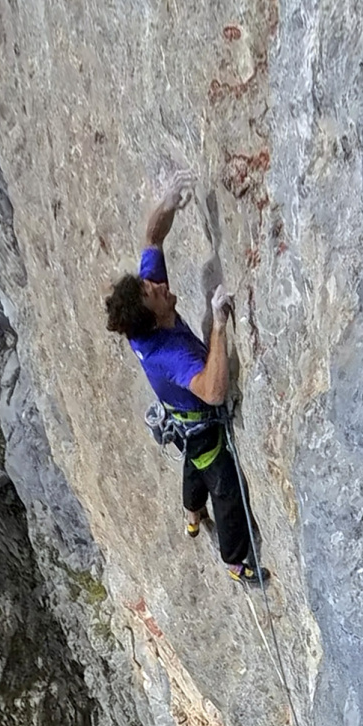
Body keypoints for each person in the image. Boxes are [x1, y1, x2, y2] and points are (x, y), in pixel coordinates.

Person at [104, 170, 268, 587]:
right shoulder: (169, 353)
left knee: (192, 470)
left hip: (181, 420)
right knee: (226, 488)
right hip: (201, 427)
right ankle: (235, 562)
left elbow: (152, 240)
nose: (158, 284)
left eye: (150, 283)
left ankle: (191, 517)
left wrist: (166, 203)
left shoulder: (146, 320)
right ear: (155, 319)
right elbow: (214, 392)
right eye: (153, 292)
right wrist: (218, 325)